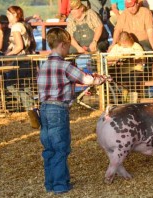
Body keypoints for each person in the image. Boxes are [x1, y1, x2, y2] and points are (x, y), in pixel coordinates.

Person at [37, 27, 108, 194]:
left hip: (44, 109)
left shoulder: (44, 65)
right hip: (58, 109)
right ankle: (61, 185)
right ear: (62, 44)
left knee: (49, 148)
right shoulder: (65, 66)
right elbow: (87, 79)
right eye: (68, 46)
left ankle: (50, 183)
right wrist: (102, 78)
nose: (69, 49)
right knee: (61, 147)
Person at [6, 5, 35, 110]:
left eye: (9, 14)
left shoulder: (15, 27)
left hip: (20, 59)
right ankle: (32, 110)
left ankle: (28, 107)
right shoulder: (24, 24)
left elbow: (19, 46)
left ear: (14, 15)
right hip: (28, 59)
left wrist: (7, 56)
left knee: (10, 84)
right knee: (25, 86)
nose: (7, 17)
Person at [108, 31, 144, 101]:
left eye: (125, 41)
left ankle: (133, 101)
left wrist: (130, 58)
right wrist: (116, 59)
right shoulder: (116, 47)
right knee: (112, 76)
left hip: (134, 70)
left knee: (133, 80)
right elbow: (109, 59)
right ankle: (121, 100)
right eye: (122, 41)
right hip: (120, 71)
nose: (124, 43)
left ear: (129, 39)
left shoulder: (136, 46)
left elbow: (141, 59)